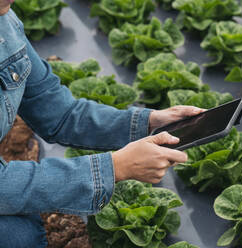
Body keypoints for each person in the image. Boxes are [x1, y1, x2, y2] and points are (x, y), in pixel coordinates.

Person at [0, 1, 205, 247]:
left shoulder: (5, 22)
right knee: (17, 234)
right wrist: (114, 168)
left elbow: (61, 113)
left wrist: (147, 122)